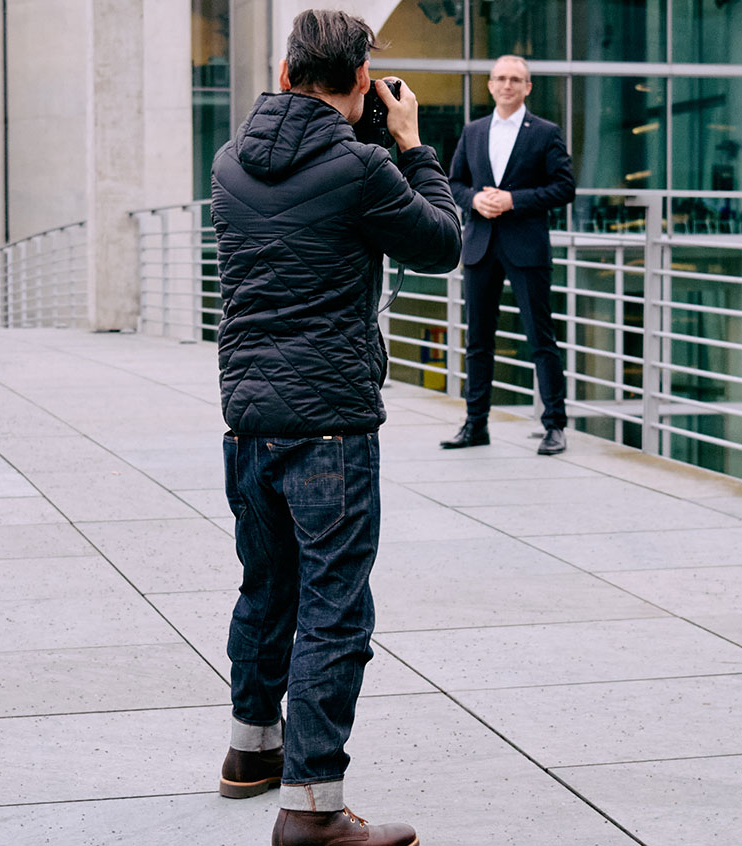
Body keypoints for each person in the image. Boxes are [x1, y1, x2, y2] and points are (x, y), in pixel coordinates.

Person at [206, 10, 459, 846]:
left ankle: (252, 754)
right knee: (334, 612)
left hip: (247, 423)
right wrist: (413, 144)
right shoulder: (359, 167)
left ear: (283, 75)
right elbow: (442, 242)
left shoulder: (229, 164)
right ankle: (313, 810)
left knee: (266, 588)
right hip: (329, 427)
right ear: (359, 83)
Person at [438, 55, 577, 456]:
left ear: (528, 87)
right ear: (490, 85)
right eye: (500, 78)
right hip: (480, 243)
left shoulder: (546, 133)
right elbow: (454, 182)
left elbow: (564, 187)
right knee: (479, 340)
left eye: (516, 79)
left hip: (526, 246)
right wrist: (476, 199)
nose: (507, 85)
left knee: (540, 338)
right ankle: (475, 424)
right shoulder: (474, 130)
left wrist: (515, 200)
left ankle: (555, 426)